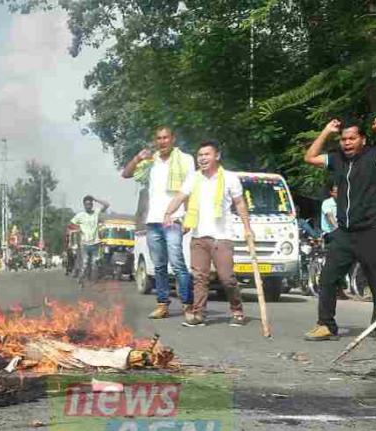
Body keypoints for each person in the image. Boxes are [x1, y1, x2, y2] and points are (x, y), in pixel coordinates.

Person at [302, 117, 376, 342]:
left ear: (362, 140)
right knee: (328, 278)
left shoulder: (375, 157)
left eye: (352, 138)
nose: (347, 143)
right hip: (345, 231)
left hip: (372, 229)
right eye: (343, 139)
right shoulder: (337, 159)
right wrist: (326, 131)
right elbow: (309, 157)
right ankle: (326, 325)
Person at [163, 141, 253, 327]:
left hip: (222, 236)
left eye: (206, 154)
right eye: (200, 155)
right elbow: (180, 197)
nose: (202, 158)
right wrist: (168, 213)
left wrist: (247, 228)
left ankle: (237, 310)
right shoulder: (193, 178)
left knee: (227, 278)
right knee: (199, 278)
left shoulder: (229, 178)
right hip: (199, 235)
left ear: (217, 156)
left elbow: (240, 203)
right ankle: (198, 314)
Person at [122, 126, 195, 320]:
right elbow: (126, 174)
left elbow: (188, 189)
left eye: (166, 138)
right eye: (159, 138)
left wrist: (187, 216)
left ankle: (188, 306)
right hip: (153, 221)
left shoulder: (186, 159)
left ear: (173, 139)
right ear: (156, 141)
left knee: (178, 263)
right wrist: (138, 158)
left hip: (174, 219)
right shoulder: (150, 162)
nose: (162, 141)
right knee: (159, 266)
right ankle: (163, 305)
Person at [69, 195, 110, 286]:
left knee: (94, 263)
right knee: (85, 263)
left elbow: (107, 204)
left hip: (95, 243)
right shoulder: (80, 215)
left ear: (92, 204)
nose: (89, 205)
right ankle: (81, 279)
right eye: (87, 204)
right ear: (84, 205)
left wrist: (95, 199)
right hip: (85, 243)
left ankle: (93, 281)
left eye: (90, 204)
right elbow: (70, 225)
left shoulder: (96, 212)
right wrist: (78, 228)